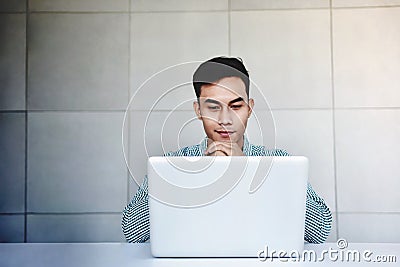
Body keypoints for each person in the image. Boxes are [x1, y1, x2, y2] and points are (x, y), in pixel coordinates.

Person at [122, 56, 332, 244]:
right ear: (198, 110)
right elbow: (132, 231)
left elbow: (320, 230)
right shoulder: (173, 164)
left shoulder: (279, 162)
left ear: (249, 109)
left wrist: (247, 171)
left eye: (236, 106)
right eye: (213, 107)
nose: (224, 120)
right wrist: (189, 180)